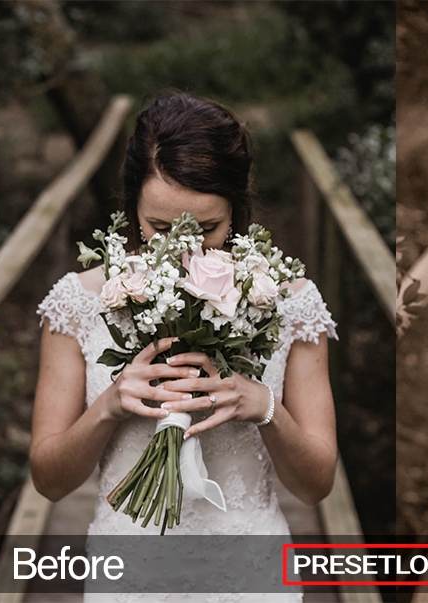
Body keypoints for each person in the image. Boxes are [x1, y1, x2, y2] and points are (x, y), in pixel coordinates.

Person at [31, 94, 338, 601]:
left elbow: (316, 485)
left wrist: (266, 409)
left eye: (209, 230)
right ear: (131, 206)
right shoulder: (77, 304)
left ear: (237, 210)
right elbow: (49, 480)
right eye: (160, 230)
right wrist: (108, 406)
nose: (184, 253)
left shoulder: (291, 303)